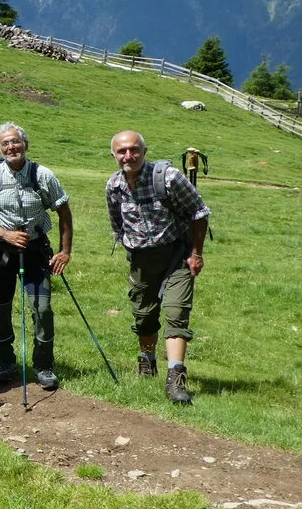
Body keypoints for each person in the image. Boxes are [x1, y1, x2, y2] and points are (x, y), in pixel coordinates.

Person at [106, 131, 210, 404]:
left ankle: (176, 379)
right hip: (140, 259)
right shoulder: (114, 186)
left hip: (177, 256)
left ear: (144, 150)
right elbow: (117, 224)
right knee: (144, 315)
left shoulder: (170, 178)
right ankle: (147, 361)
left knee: (176, 313)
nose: (128, 156)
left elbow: (199, 212)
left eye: (134, 150)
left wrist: (196, 253)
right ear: (114, 155)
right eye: (122, 151)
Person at [0, 122, 72, 390]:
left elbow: (64, 211)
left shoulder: (43, 175)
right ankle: (5, 362)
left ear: (25, 144)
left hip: (36, 253)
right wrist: (4, 234)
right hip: (0, 253)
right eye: (5, 143)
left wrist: (65, 251)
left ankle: (44, 365)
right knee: (0, 309)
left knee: (42, 308)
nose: (11, 147)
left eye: (15, 142)